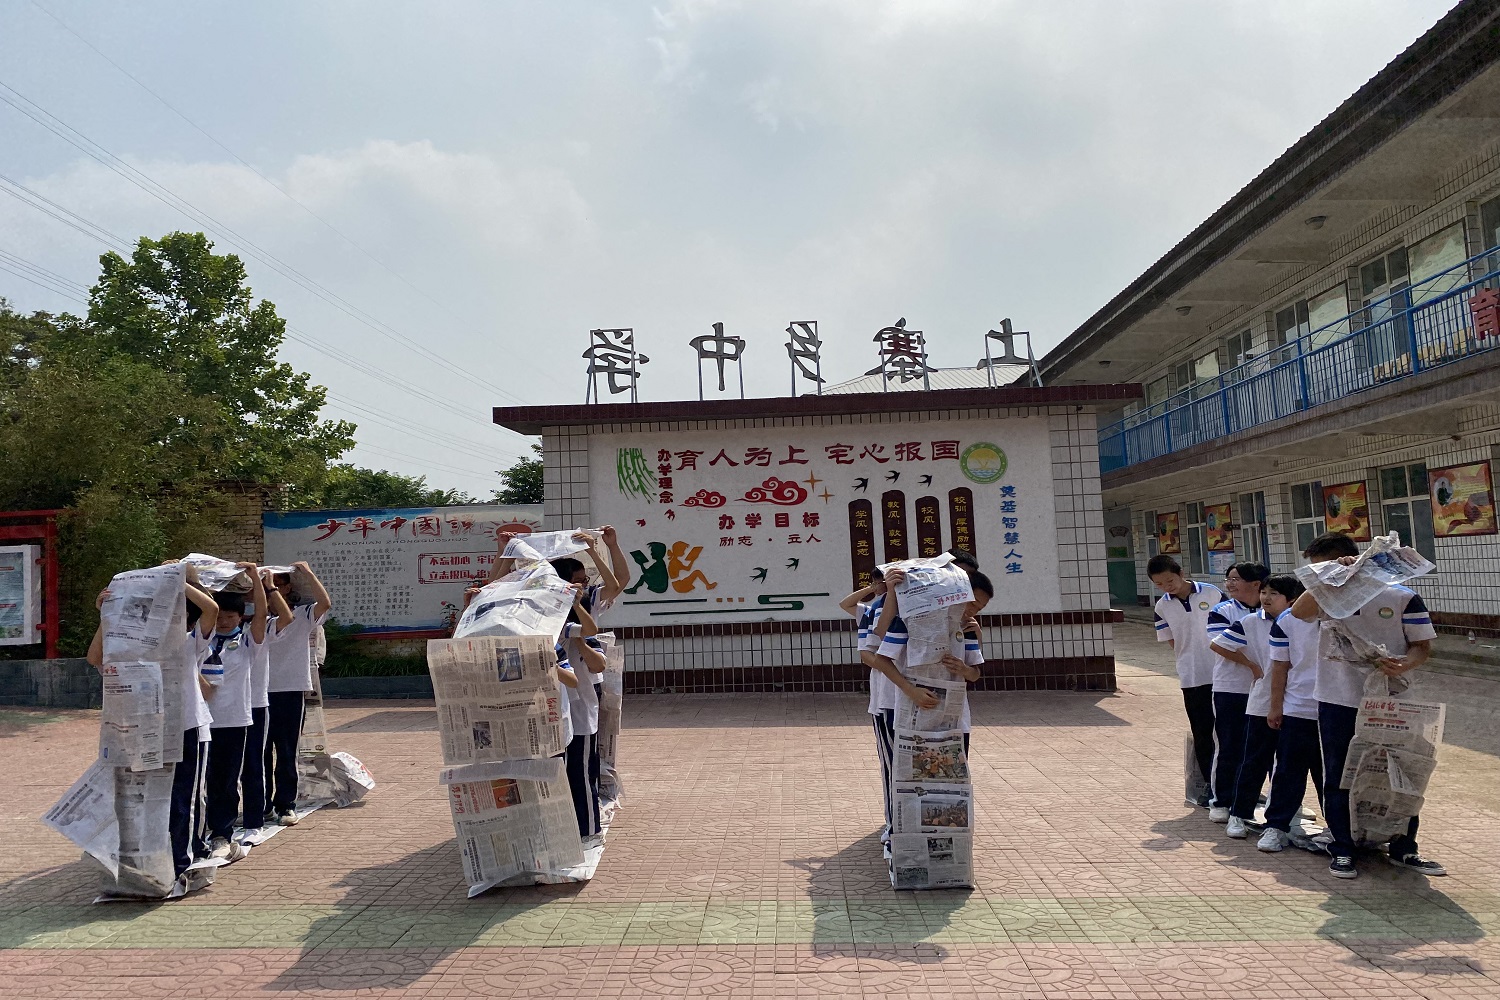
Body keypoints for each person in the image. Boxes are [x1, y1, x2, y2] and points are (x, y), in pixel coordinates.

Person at [1291, 532, 1444, 879]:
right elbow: (1299, 612)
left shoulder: (1401, 596)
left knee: (1402, 771)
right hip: (1337, 698)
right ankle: (1343, 847)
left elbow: (1421, 646)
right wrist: (1328, 579)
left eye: (1324, 566)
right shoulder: (1325, 597)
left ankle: (1404, 846)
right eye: (1316, 570)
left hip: (1391, 700)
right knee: (1338, 774)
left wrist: (1404, 664)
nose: (1319, 574)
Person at [85, 566, 219, 879]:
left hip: (188, 729)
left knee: (185, 799)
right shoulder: (133, 648)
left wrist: (177, 580)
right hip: (146, 733)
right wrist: (106, 615)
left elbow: (211, 609)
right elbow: (95, 657)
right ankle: (155, 864)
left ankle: (186, 862)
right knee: (150, 802)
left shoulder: (189, 640)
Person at [1210, 573, 1285, 839]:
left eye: (1274, 593)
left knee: (1285, 763)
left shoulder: (1302, 622)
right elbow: (1218, 644)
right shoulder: (1248, 620)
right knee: (1249, 756)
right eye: (1265, 592)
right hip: (1257, 699)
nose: (1266, 598)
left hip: (1296, 702)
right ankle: (1235, 810)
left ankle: (1281, 816)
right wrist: (1253, 666)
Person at [1147, 554, 1226, 808]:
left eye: (1170, 581)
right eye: (1159, 584)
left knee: (1229, 732)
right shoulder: (1162, 607)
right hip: (1192, 676)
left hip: (1223, 674)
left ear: (1181, 573)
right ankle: (1212, 787)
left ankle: (1238, 785)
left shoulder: (1213, 594)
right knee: (1202, 732)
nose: (1166, 587)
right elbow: (1173, 642)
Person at [202, 564, 268, 860]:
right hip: (201, 720)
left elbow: (262, 615)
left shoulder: (247, 642)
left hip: (233, 720)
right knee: (203, 781)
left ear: (241, 617)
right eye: (219, 617)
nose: (224, 622)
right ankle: (201, 832)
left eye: (230, 617)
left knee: (226, 780)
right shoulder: (202, 639)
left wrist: (255, 578)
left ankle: (222, 834)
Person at [1257, 576, 1323, 853]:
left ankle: (1340, 831)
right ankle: (1277, 826)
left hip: (1340, 708)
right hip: (1299, 707)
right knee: (1288, 770)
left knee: (1332, 775)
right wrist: (1276, 707)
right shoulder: (1287, 620)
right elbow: (1280, 668)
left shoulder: (1350, 616)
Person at [264, 562, 332, 827]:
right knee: (259, 754)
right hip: (257, 694)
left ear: (287, 588)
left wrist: (309, 573)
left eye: (275, 585)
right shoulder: (254, 621)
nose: (271, 591)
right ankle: (262, 806)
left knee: (286, 751)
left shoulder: (303, 615)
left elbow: (325, 603)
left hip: (289, 691)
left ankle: (285, 804)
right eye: (266, 587)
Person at [1205, 562, 1268, 823]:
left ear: (1256, 584)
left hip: (1266, 688)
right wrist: (1253, 665)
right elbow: (1221, 645)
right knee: (1229, 744)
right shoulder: (1222, 610)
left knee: (1267, 749)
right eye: (1228, 579)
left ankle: (1273, 802)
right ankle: (1221, 800)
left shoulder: (1273, 610)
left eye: (1236, 579)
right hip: (1231, 687)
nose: (1230, 584)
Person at [839, 571, 894, 849]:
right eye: (875, 580)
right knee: (891, 762)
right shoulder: (873, 609)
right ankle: (893, 822)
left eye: (879, 580)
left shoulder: (904, 606)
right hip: (886, 694)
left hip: (903, 695)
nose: (877, 585)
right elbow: (846, 604)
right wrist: (873, 589)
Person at [558, 589, 608, 842]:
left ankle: (589, 831)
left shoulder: (580, 633)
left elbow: (598, 664)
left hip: (580, 717)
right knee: (560, 778)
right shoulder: (548, 636)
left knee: (582, 775)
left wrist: (579, 640)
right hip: (554, 718)